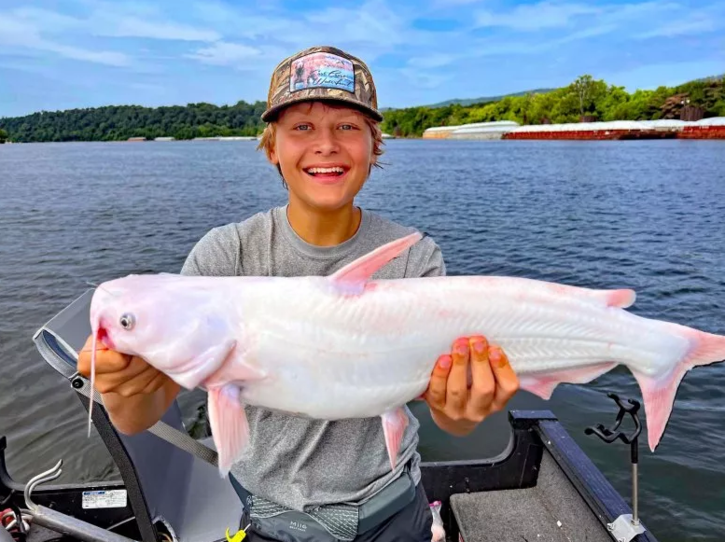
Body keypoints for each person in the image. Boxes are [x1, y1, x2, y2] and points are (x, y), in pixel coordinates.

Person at [77, 45, 520, 541]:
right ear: (272, 147)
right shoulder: (223, 259)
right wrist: (119, 390)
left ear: (375, 146)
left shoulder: (413, 258)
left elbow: (448, 414)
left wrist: (465, 408)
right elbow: (142, 414)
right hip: (270, 521)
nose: (326, 144)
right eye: (301, 128)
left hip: (393, 508)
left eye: (348, 127)